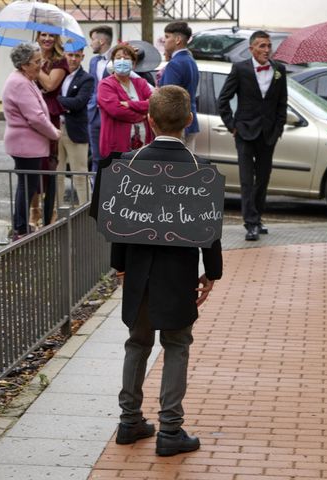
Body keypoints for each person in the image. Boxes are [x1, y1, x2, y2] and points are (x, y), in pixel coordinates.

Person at [96, 85, 223, 456]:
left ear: (148, 120)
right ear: (188, 120)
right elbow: (208, 233)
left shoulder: (129, 165)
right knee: (177, 344)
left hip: (137, 274)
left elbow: (119, 221)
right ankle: (170, 429)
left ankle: (129, 420)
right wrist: (211, 273)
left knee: (137, 343)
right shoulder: (202, 171)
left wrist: (118, 267)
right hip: (178, 276)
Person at [217, 30, 288, 241]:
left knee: (263, 178)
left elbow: (282, 102)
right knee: (247, 180)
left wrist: (278, 128)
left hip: (268, 134)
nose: (267, 50)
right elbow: (223, 100)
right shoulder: (240, 69)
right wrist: (232, 126)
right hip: (245, 132)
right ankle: (251, 223)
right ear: (252, 49)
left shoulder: (279, 70)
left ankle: (257, 217)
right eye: (262, 46)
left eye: (268, 46)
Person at [2, 43, 61, 240]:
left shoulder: (24, 79)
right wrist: (54, 133)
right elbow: (35, 117)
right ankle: (19, 228)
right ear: (25, 65)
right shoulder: (19, 82)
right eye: (37, 62)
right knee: (27, 186)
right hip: (26, 144)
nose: (41, 64)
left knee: (26, 185)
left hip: (27, 143)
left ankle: (20, 226)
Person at [36, 31, 69, 226]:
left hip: (49, 114)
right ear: (38, 37)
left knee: (48, 162)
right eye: (43, 35)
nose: (47, 39)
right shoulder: (33, 55)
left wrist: (32, 65)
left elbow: (49, 84)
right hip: (30, 112)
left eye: (51, 35)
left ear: (56, 39)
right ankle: (34, 210)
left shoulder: (60, 61)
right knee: (32, 163)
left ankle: (50, 212)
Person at [97, 43, 153, 160]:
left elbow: (154, 104)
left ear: (133, 64)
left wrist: (130, 104)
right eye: (118, 58)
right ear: (113, 62)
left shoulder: (140, 82)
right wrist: (142, 115)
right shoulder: (106, 84)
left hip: (143, 146)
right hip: (117, 147)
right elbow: (116, 110)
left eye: (127, 58)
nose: (122, 61)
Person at [56, 48, 95, 206]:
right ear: (64, 55)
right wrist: (64, 104)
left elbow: (79, 103)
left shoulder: (87, 78)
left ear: (82, 57)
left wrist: (56, 101)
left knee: (80, 173)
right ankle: (54, 213)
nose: (73, 59)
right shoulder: (57, 74)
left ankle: (86, 213)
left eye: (77, 56)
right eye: (70, 55)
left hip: (76, 130)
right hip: (55, 128)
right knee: (56, 174)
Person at [159, 21, 200, 150]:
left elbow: (167, 99)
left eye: (167, 37)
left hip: (176, 126)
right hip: (190, 121)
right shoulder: (190, 60)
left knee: (175, 167)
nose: (164, 41)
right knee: (188, 167)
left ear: (177, 40)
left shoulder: (175, 64)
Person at [88, 25, 114, 174]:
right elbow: (92, 86)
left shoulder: (118, 59)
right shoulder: (93, 61)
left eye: (93, 40)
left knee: (109, 155)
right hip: (93, 114)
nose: (91, 43)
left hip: (109, 114)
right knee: (95, 155)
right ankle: (94, 189)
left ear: (102, 41)